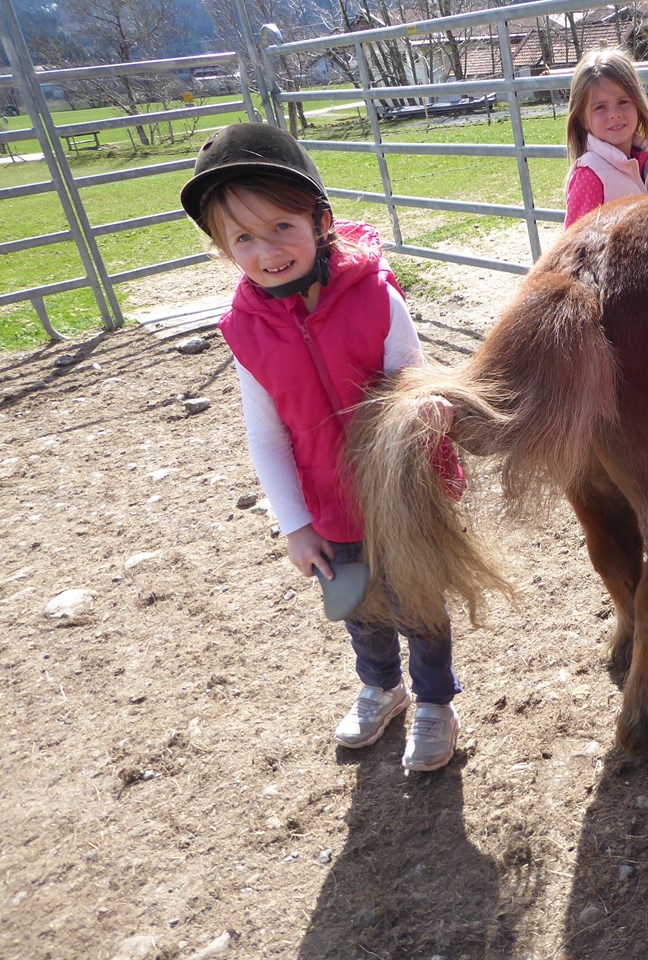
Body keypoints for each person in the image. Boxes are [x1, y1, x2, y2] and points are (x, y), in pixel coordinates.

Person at [179, 122, 464, 774]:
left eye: (282, 227)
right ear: (224, 249)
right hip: (328, 503)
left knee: (418, 599)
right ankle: (381, 687)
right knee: (356, 604)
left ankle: (435, 700)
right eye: (243, 238)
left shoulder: (375, 296)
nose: (267, 250)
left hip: (399, 494)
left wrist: (428, 410)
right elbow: (266, 434)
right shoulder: (246, 333)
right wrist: (295, 525)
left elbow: (412, 377)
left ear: (320, 221)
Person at [563, 48, 648, 227]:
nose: (614, 114)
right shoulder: (590, 177)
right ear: (582, 119)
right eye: (600, 107)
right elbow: (575, 249)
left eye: (623, 102)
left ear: (637, 105)